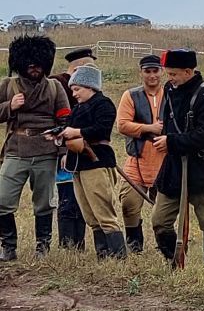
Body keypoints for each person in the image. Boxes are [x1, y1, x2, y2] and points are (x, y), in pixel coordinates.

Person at [0, 34, 69, 260]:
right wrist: (10, 106)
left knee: (44, 203)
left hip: (46, 152)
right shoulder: (8, 86)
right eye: (29, 65)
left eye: (38, 64)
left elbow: (64, 121)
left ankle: (43, 246)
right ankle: (8, 247)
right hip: (16, 150)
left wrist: (62, 152)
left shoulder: (55, 87)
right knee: (2, 200)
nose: (34, 69)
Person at [152, 49, 204, 267]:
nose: (169, 78)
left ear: (188, 71)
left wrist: (172, 142)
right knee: (160, 221)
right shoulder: (169, 90)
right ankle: (175, 262)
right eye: (168, 74)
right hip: (173, 168)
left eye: (173, 74)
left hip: (200, 167)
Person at [53, 64, 126, 258]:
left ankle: (118, 256)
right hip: (78, 163)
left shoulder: (104, 104)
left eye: (77, 89)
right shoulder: (78, 108)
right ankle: (103, 255)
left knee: (104, 214)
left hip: (97, 163)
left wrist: (76, 132)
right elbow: (69, 129)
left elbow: (102, 129)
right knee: (90, 215)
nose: (74, 94)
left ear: (90, 86)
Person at [115, 54, 166, 252]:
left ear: (161, 72)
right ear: (141, 73)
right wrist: (149, 128)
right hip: (138, 158)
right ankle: (134, 244)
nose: (152, 75)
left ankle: (164, 244)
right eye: (147, 71)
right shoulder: (130, 95)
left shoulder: (171, 93)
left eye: (155, 71)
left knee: (164, 208)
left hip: (165, 158)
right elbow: (122, 125)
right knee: (128, 203)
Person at [52, 47, 94, 248]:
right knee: (67, 198)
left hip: (82, 151)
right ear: (81, 67)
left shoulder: (87, 89)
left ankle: (79, 243)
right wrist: (63, 150)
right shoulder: (57, 83)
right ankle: (67, 244)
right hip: (63, 152)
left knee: (80, 199)